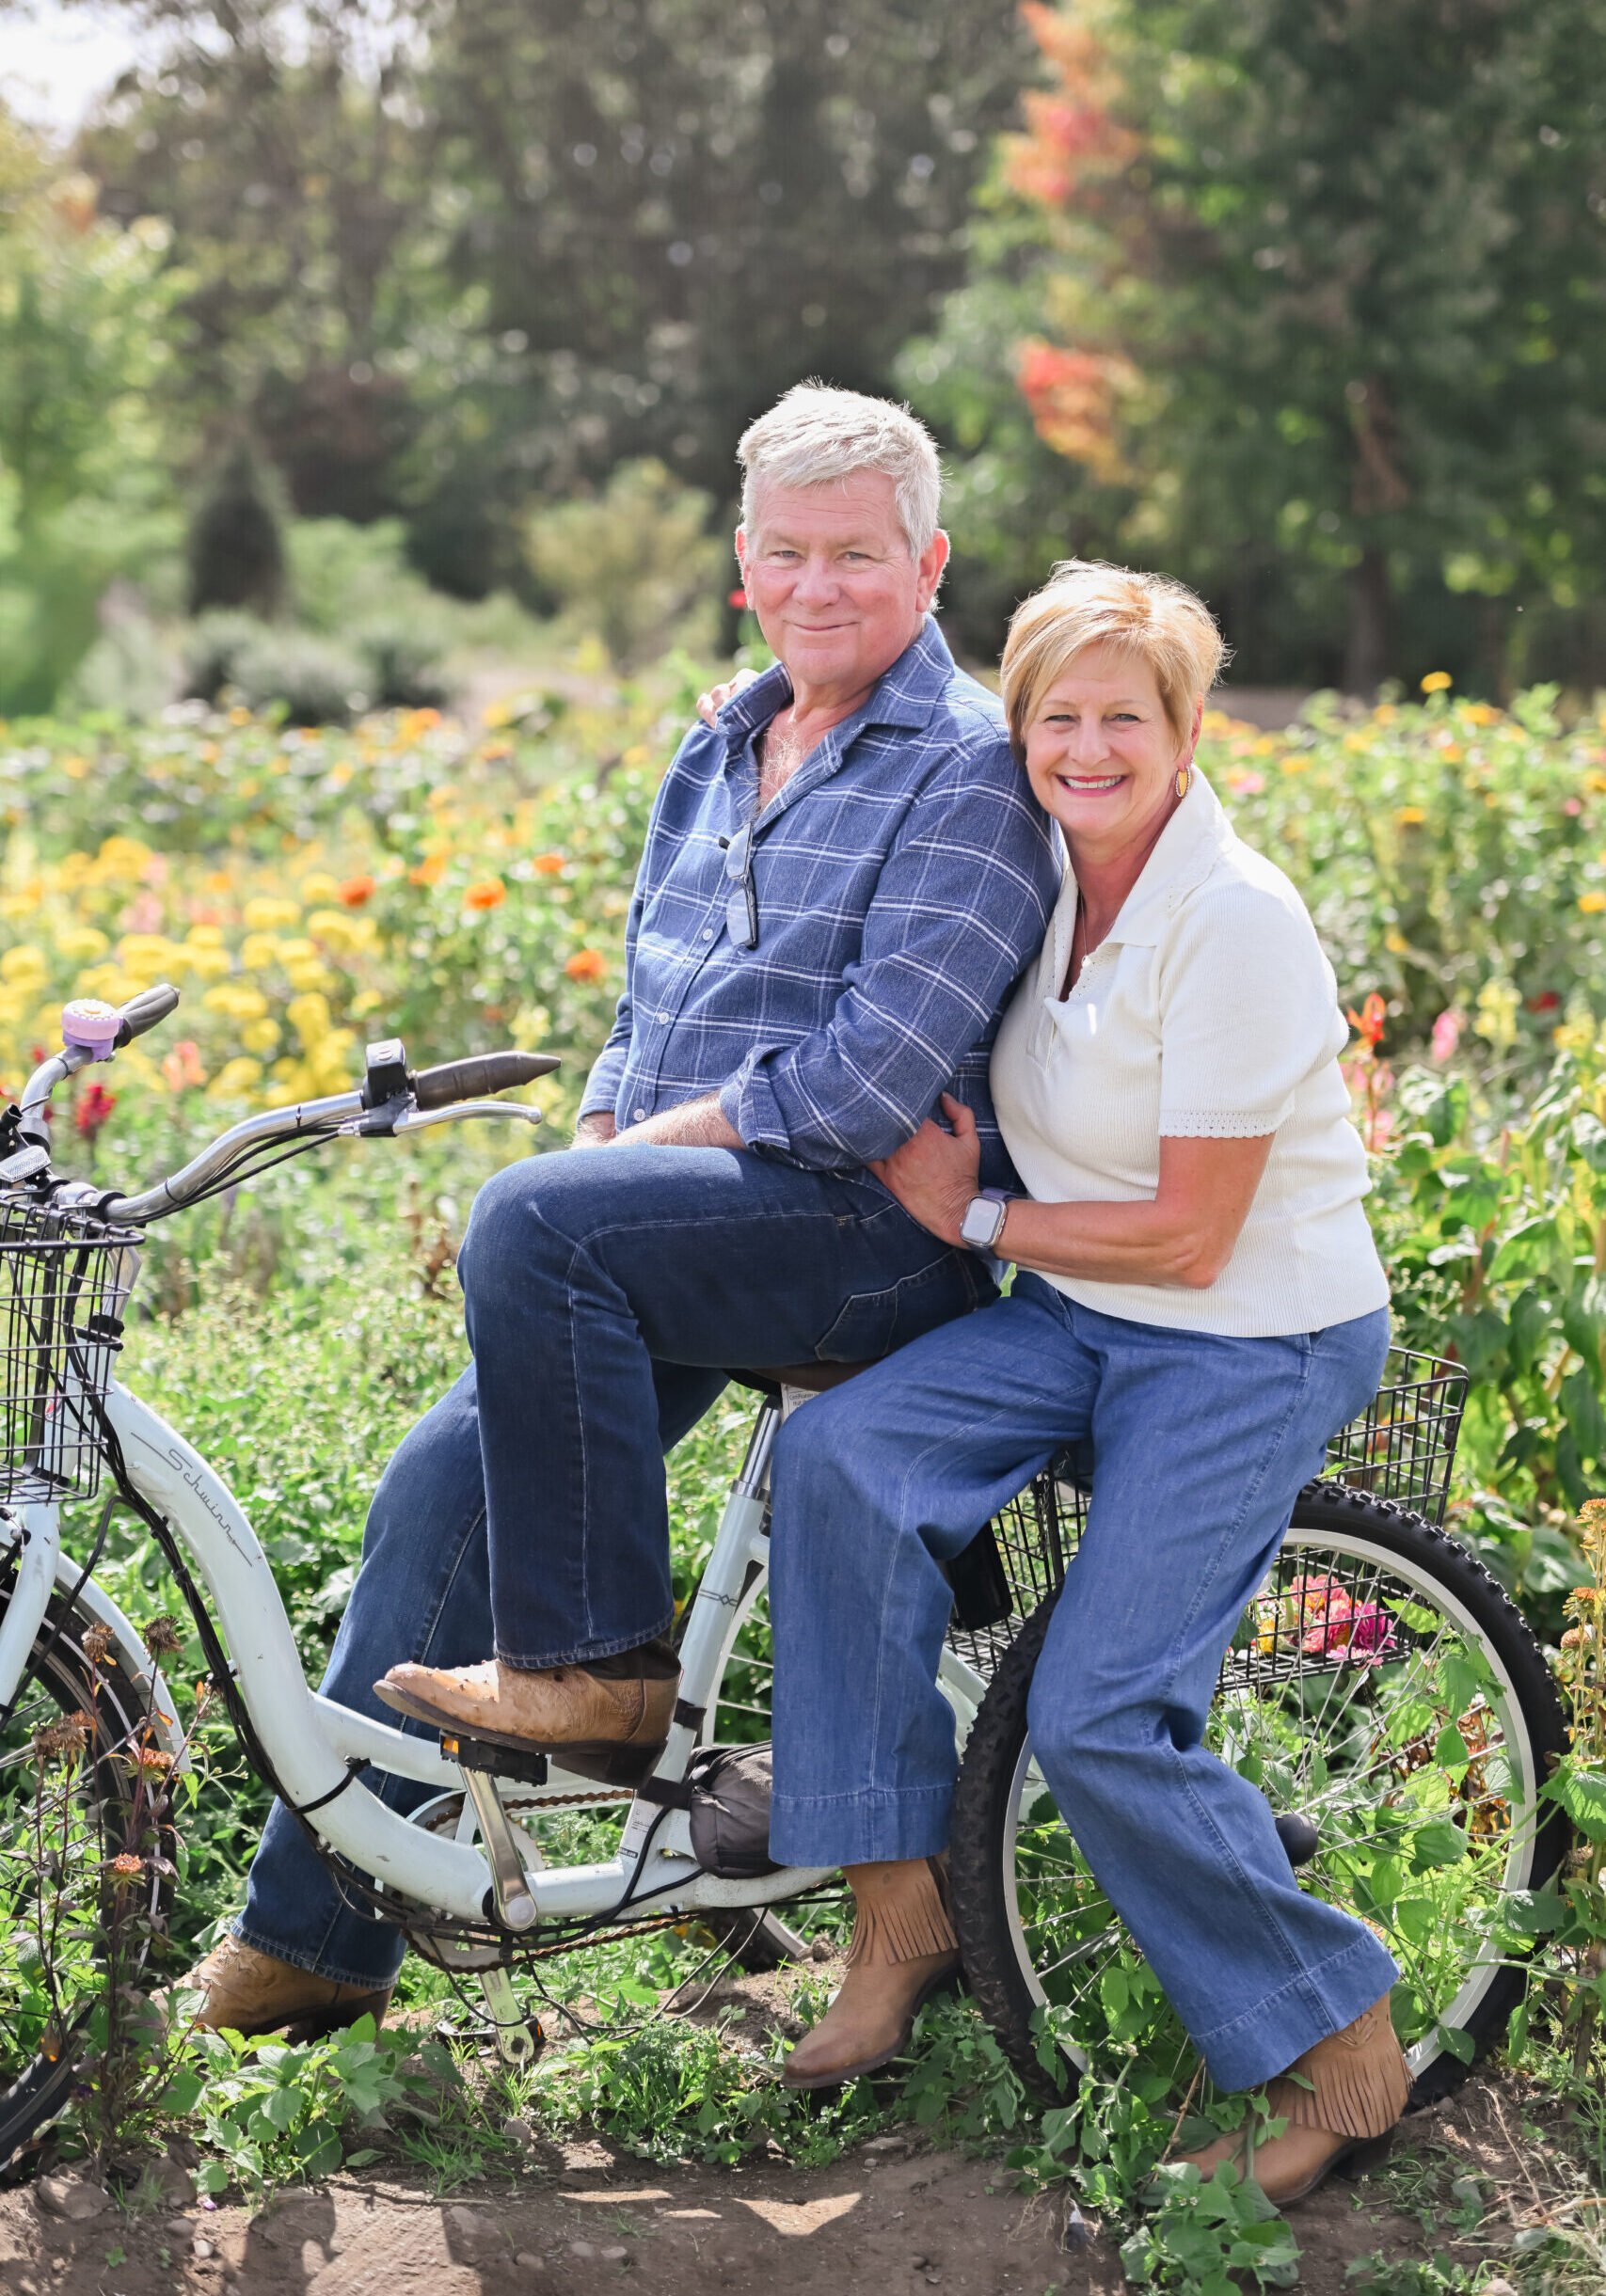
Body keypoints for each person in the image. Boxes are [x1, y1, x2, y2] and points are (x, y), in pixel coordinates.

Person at [179, 383, 1060, 2040]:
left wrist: (601, 1179)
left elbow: (870, 1084)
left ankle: (600, 1675)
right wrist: (607, 1141)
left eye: (857, 555)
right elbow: (646, 1004)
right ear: (743, 562)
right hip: (699, 1219)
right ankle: (314, 1943)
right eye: (787, 552)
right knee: (440, 1487)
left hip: (869, 1234)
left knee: (535, 1222)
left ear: (931, 563)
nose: (819, 584)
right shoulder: (721, 737)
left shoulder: (969, 769)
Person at [762, 561, 1404, 2209]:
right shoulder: (1039, 873)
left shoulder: (1235, 918)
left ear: (1187, 733)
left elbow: (1195, 1235)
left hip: (1246, 1331)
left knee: (1100, 1711)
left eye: (1127, 715)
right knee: (839, 1455)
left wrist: (971, 1212)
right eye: (1059, 715)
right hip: (1080, 1310)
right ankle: (898, 1904)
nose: (1089, 746)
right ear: (1023, 731)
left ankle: (1337, 2033)